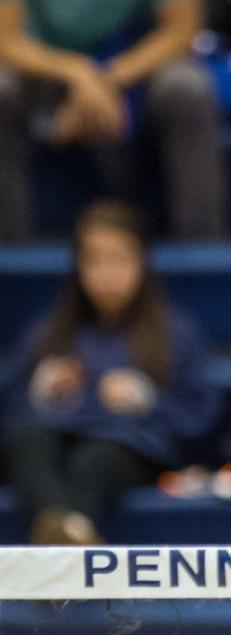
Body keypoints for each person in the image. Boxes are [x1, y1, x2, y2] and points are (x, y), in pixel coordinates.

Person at [3, 200, 219, 544]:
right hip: (52, 442)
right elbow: (10, 415)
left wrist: (148, 401)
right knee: (28, 444)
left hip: (125, 449)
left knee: (97, 457)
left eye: (119, 259)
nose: (107, 274)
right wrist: (39, 393)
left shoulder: (174, 333)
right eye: (94, 260)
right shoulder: (46, 332)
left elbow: (201, 419)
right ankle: (73, 531)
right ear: (78, 267)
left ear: (142, 263)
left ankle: (60, 532)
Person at [0, 0, 228, 241]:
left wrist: (108, 80)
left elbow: (182, 29)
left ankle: (201, 251)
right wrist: (79, 74)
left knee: (187, 89)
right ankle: (9, 252)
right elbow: (5, 40)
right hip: (47, 72)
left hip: (134, 68)